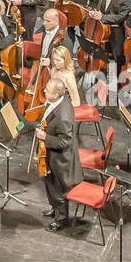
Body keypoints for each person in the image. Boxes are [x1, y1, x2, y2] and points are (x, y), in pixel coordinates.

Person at [36, 77, 83, 231]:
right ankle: (55, 209)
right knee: (49, 185)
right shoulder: (58, 102)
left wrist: (45, 137)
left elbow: (65, 142)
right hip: (51, 156)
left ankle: (62, 220)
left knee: (58, 190)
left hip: (60, 160)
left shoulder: (63, 116)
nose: (44, 91)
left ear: (56, 95)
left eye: (47, 90)